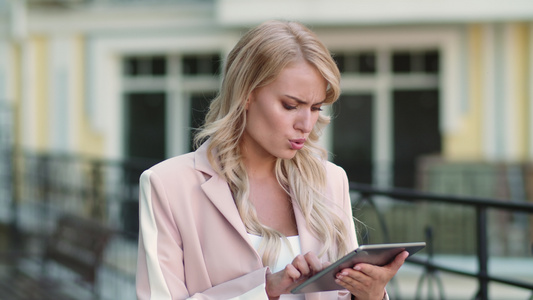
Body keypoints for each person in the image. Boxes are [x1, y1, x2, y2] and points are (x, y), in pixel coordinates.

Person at [136, 20, 407, 300]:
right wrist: (264, 290)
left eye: (315, 108)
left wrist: (370, 295)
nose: (306, 124)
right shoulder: (167, 185)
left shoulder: (330, 180)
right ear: (246, 95)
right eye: (291, 105)